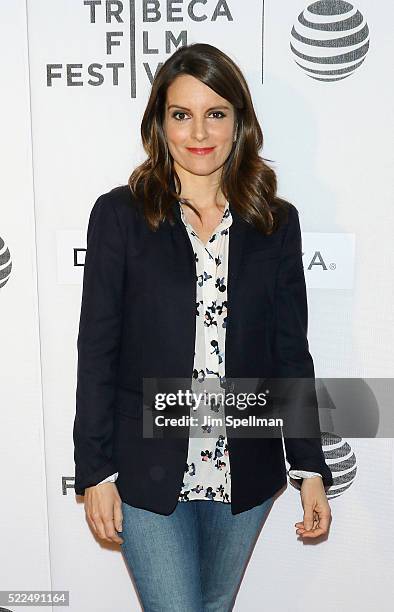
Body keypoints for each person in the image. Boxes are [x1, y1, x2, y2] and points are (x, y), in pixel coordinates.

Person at [73, 43, 333, 611]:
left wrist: (309, 465)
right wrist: (94, 469)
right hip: (144, 469)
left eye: (216, 113)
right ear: (159, 124)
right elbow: (97, 350)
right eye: (181, 114)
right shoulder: (121, 215)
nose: (199, 132)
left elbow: (291, 352)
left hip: (244, 466)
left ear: (239, 122)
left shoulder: (274, 222)